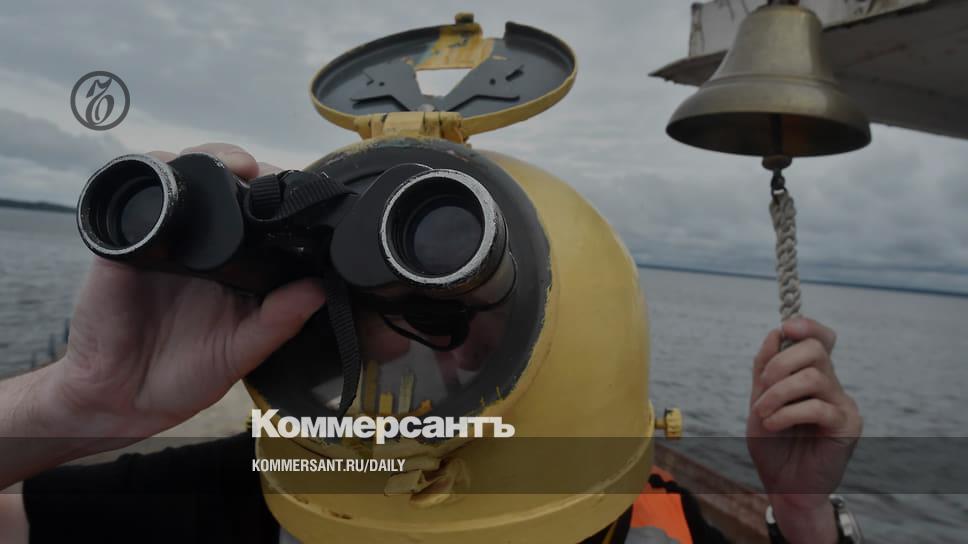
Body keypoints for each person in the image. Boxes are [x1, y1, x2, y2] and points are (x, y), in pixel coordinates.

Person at [0, 143, 863, 544]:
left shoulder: (655, 523)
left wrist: (800, 513)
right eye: (409, 316)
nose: (453, 356)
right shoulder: (269, 483)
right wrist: (81, 399)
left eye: (469, 312)